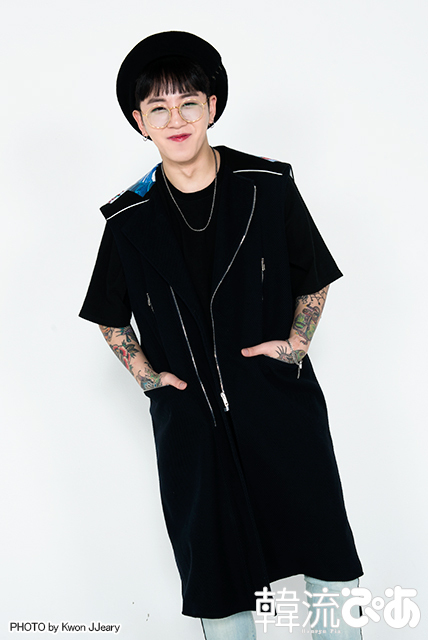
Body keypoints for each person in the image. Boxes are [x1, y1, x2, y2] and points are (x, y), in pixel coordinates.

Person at [79, 31, 364, 640]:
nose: (175, 120)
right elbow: (109, 316)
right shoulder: (128, 219)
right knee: (218, 577)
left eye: (188, 103)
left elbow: (313, 276)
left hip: (279, 407)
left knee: (328, 564)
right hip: (192, 427)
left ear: (211, 106)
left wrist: (294, 348)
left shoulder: (267, 185)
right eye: (158, 108)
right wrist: (151, 379)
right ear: (140, 122)